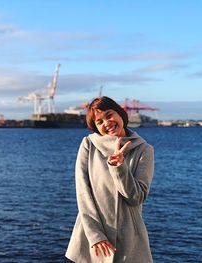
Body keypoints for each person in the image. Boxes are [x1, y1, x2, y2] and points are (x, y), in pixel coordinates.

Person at [65, 96, 154, 263]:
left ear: (121, 113)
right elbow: (83, 192)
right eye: (99, 121)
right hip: (93, 237)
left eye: (109, 115)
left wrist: (119, 168)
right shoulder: (88, 144)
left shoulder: (144, 150)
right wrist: (95, 235)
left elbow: (136, 197)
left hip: (129, 239)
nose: (106, 123)